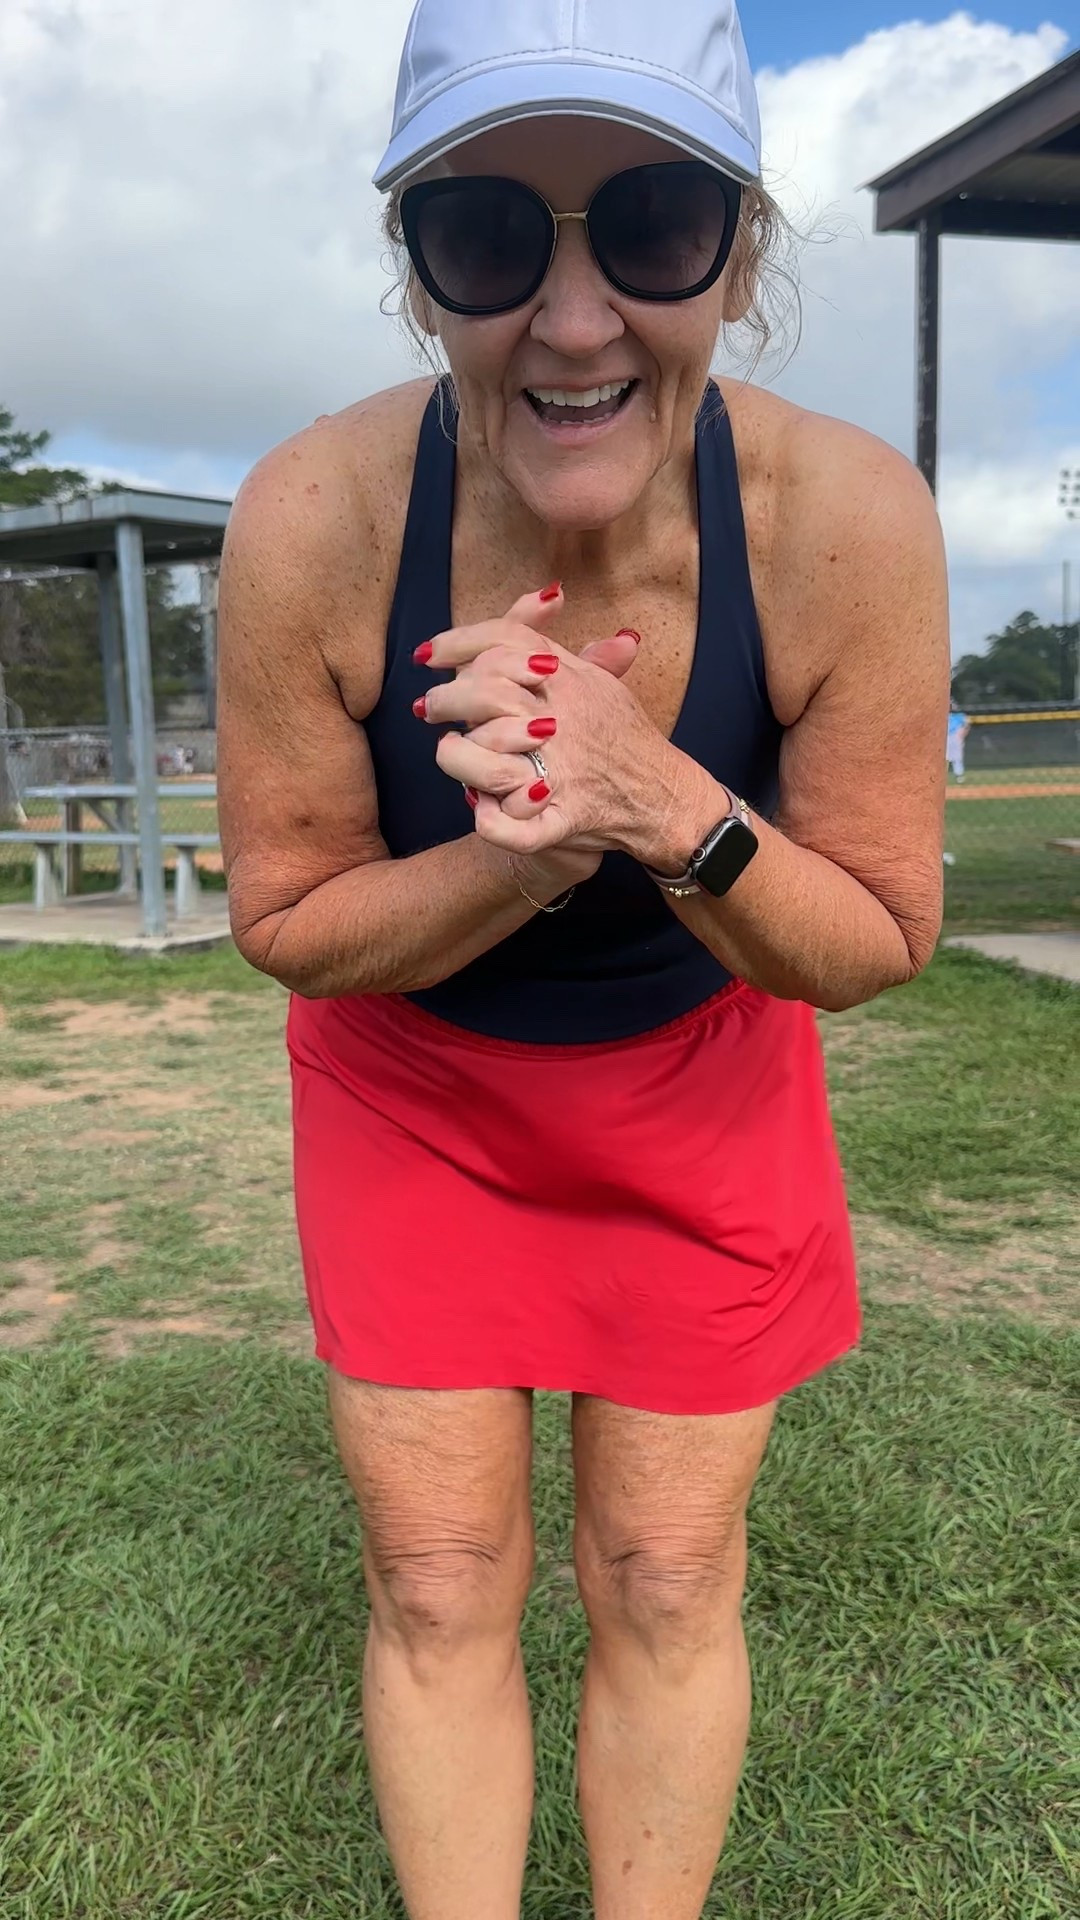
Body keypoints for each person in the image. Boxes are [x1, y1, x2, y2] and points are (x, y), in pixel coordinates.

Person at [217, 2, 949, 1913]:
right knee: (442, 1577)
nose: (569, 313)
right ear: (418, 271)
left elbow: (873, 939)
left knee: (669, 1572)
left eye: (646, 222)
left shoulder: (844, 521)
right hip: (411, 1093)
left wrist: (660, 801)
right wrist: (525, 862)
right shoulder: (316, 515)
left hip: (705, 1086)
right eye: (484, 234)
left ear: (739, 250)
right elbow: (291, 922)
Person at [947, 701, 970, 781]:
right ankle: (941, 776)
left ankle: (959, 775)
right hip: (945, 737)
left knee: (957, 757)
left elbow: (966, 726)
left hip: (955, 736)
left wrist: (962, 734)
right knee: (944, 757)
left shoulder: (960, 716)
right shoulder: (942, 715)